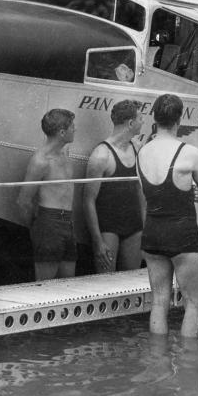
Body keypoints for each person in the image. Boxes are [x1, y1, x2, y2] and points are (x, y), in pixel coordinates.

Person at [137, 94, 198, 337]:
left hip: (152, 233)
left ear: (155, 118)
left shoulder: (142, 152)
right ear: (179, 119)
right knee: (193, 302)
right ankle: (188, 368)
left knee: (159, 301)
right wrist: (197, 193)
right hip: (182, 235)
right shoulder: (189, 152)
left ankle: (158, 363)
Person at [82, 100, 145, 273]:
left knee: (130, 283)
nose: (143, 122)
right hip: (108, 228)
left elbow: (140, 191)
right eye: (141, 118)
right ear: (131, 123)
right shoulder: (101, 155)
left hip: (134, 226)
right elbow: (88, 201)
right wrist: (97, 242)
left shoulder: (138, 148)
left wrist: (145, 225)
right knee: (106, 283)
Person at [18, 109, 78, 281]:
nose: (75, 130)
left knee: (69, 286)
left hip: (67, 221)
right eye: (72, 127)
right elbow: (23, 200)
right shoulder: (41, 160)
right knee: (45, 288)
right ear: (61, 132)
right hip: (49, 221)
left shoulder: (64, 154)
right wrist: (37, 227)